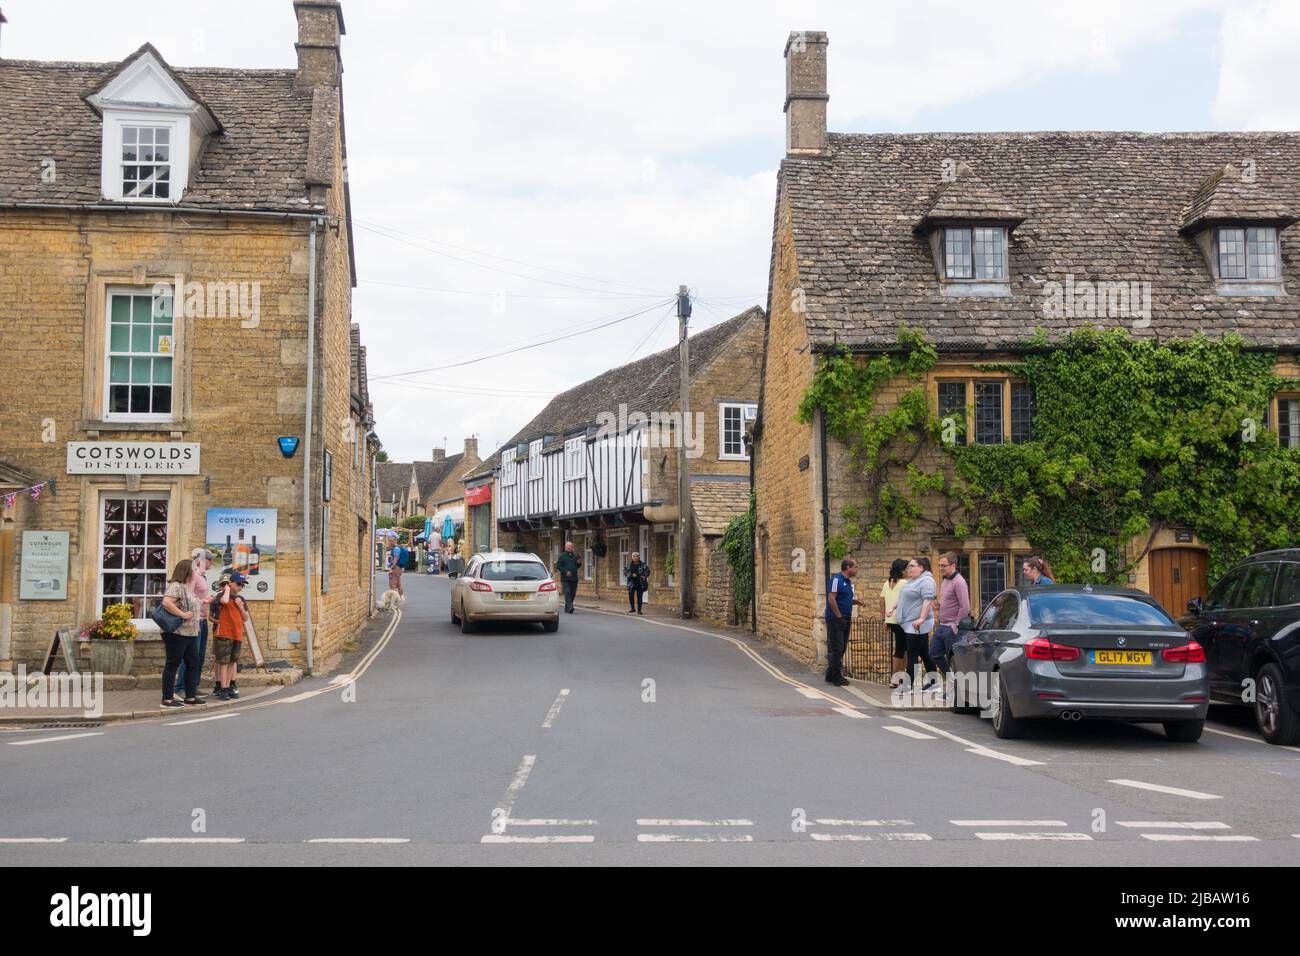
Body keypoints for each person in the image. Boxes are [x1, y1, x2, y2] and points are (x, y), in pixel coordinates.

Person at [159, 559, 203, 708]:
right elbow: (166, 603)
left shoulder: (186, 587)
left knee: (193, 663)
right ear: (186, 570)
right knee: (173, 664)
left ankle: (190, 697)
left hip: (190, 633)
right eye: (193, 569)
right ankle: (167, 699)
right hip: (177, 633)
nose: (195, 572)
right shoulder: (176, 586)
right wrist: (183, 615)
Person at [174, 548, 213, 698]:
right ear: (200, 561)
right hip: (194, 621)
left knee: (200, 656)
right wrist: (204, 600)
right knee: (191, 655)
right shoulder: (194, 576)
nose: (210, 562)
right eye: (208, 559)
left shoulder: (203, 577)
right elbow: (187, 596)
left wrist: (207, 599)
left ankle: (193, 686)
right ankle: (180, 687)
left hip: (202, 620)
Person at [896, 556, 937, 685]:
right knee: (924, 653)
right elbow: (902, 597)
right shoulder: (912, 581)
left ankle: (908, 686)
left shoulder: (927, 581)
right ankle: (934, 683)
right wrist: (892, 608)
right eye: (908, 566)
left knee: (912, 654)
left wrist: (922, 619)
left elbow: (927, 600)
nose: (909, 569)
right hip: (910, 623)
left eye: (912, 566)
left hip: (918, 624)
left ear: (921, 568)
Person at [825, 557, 865, 686]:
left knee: (841, 647)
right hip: (836, 619)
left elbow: (844, 599)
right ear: (848, 568)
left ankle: (830, 674)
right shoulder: (836, 580)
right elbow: (832, 599)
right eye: (855, 567)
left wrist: (857, 602)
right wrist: (838, 616)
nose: (857, 569)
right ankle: (837, 676)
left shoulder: (848, 582)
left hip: (845, 618)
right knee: (837, 647)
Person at [931, 552, 971, 679]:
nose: (941, 568)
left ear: (953, 565)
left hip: (952, 628)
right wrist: (939, 605)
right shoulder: (945, 581)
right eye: (939, 565)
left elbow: (965, 607)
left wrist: (955, 626)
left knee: (953, 660)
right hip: (942, 626)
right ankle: (952, 682)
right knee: (933, 653)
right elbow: (949, 601)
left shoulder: (959, 582)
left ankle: (955, 689)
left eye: (943, 565)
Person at [212, 571, 249, 700]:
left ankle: (228, 686)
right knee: (223, 662)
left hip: (236, 633)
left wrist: (240, 606)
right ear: (231, 583)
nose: (240, 587)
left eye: (243, 585)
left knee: (232, 661)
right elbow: (224, 601)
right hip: (224, 633)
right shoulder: (222, 595)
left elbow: (245, 618)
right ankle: (223, 688)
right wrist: (227, 589)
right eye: (239, 584)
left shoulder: (241, 599)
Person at [880, 558, 910, 689]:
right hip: (901, 620)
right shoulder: (905, 583)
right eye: (907, 568)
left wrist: (884, 619)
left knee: (902, 649)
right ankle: (896, 679)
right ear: (902, 570)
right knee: (901, 650)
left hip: (891, 620)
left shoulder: (887, 582)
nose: (908, 571)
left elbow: (882, 601)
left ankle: (899, 677)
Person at [556, 541, 582, 614]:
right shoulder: (562, 556)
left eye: (571, 546)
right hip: (565, 578)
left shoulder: (575, 555)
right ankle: (570, 606)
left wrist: (579, 563)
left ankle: (567, 607)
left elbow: (578, 565)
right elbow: (558, 566)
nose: (569, 548)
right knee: (567, 592)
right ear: (565, 547)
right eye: (568, 547)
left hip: (574, 578)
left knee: (573, 593)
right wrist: (566, 571)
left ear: (572, 547)